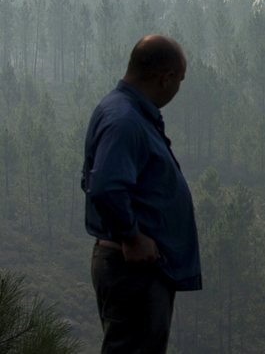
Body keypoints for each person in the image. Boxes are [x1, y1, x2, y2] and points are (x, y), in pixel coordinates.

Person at [82, 35, 202, 354]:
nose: (178, 89)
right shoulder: (125, 120)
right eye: (180, 81)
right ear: (167, 78)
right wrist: (132, 236)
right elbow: (105, 185)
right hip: (133, 270)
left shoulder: (127, 113)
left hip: (140, 271)